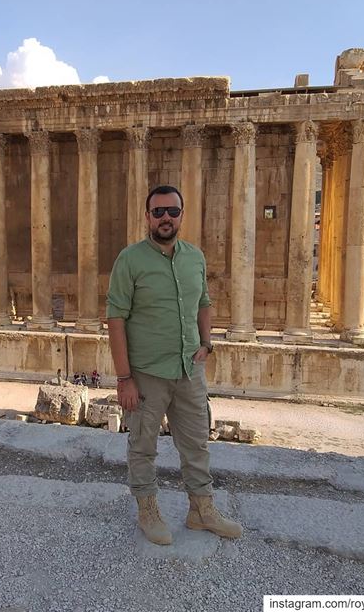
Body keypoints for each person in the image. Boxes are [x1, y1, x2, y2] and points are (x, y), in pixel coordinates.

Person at [106, 184, 242, 546]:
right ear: (147, 216)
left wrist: (206, 343)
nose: (166, 218)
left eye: (173, 211)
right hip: (147, 372)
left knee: (197, 443)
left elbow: (204, 302)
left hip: (188, 369)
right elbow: (115, 319)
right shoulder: (130, 259)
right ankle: (148, 510)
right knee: (142, 445)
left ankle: (201, 510)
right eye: (159, 211)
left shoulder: (194, 256)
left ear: (182, 215)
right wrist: (124, 378)